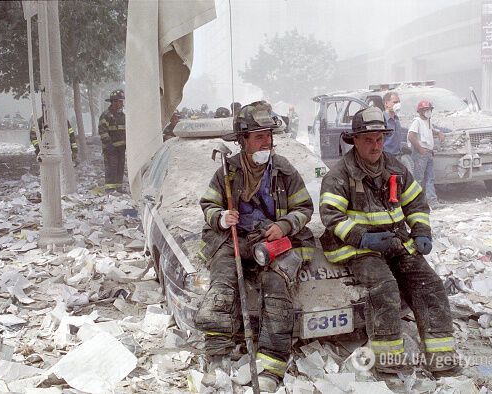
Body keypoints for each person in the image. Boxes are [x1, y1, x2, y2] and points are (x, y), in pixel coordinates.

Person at [319, 106, 458, 375]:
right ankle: (388, 363)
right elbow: (331, 217)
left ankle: (441, 358)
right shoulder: (338, 175)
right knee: (384, 288)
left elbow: (417, 203)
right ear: (355, 140)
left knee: (429, 284)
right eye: (368, 140)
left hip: (394, 242)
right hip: (354, 247)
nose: (375, 146)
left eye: (380, 139)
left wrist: (421, 232)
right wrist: (364, 238)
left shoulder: (395, 168)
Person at [195, 101, 315, 392]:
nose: (266, 141)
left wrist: (284, 225)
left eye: (268, 135)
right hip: (234, 238)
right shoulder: (228, 171)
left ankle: (270, 367)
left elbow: (304, 208)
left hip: (273, 240)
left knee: (277, 284)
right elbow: (208, 203)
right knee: (223, 281)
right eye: (258, 136)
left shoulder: (285, 171)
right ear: (243, 140)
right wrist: (222, 218)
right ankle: (217, 353)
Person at [407, 100, 445, 207]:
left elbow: (430, 130)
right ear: (420, 111)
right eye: (426, 110)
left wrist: (439, 133)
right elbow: (411, 136)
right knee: (419, 178)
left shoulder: (428, 121)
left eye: (429, 109)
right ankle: (416, 203)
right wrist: (420, 149)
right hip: (421, 153)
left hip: (428, 153)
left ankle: (432, 201)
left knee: (430, 178)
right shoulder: (417, 121)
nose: (428, 112)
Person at [98, 89, 126, 193]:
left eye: (121, 101)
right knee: (111, 170)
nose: (120, 103)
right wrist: (109, 145)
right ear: (113, 102)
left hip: (121, 148)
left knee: (120, 169)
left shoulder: (123, 116)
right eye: (117, 101)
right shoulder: (106, 115)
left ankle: (118, 189)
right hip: (111, 149)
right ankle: (110, 190)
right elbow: (102, 131)